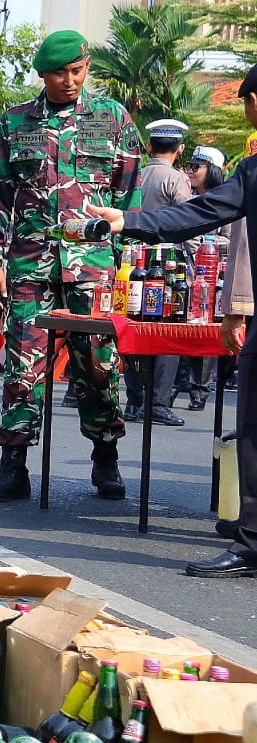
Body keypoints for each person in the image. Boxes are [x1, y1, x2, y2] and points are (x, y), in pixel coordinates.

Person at [86, 64, 257, 577]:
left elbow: (199, 214)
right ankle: (251, 544)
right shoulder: (253, 170)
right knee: (251, 430)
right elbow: (200, 213)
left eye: (248, 105)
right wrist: (129, 220)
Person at [0, 30, 142, 503]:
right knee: (23, 364)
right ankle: (13, 465)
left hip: (93, 268)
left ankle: (105, 456)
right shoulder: (15, 125)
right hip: (30, 266)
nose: (70, 81)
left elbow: (127, 197)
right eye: (59, 73)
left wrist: (124, 263)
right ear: (42, 75)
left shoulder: (113, 120)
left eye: (77, 70)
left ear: (86, 66)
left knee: (98, 365)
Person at [118, 119, 192, 426]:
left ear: (149, 147)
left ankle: (134, 400)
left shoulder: (135, 174)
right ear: (180, 149)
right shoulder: (176, 180)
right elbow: (189, 223)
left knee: (133, 330)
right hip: (168, 266)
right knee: (168, 331)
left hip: (131, 262)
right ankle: (159, 402)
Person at [176, 145, 229, 411]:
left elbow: (232, 241)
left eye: (196, 167)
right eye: (189, 166)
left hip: (213, 278)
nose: (190, 172)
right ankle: (182, 382)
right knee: (184, 331)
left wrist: (206, 241)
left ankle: (201, 389)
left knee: (206, 334)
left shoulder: (227, 202)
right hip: (185, 275)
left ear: (214, 171)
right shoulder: (189, 199)